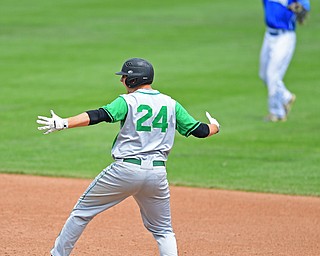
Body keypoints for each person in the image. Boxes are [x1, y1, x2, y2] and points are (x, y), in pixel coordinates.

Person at [36, 58, 220, 256]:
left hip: (125, 171)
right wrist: (216, 127)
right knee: (164, 230)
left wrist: (64, 123)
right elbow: (200, 131)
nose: (121, 80)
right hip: (157, 174)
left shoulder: (127, 101)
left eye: (124, 77)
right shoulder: (171, 103)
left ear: (133, 80)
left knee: (81, 213)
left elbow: (98, 115)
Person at [259, 0, 310, 122]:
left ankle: (277, 113)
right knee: (263, 75)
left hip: (284, 37)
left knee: (272, 75)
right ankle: (286, 97)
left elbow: (305, 6)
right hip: (269, 35)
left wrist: (299, 7)